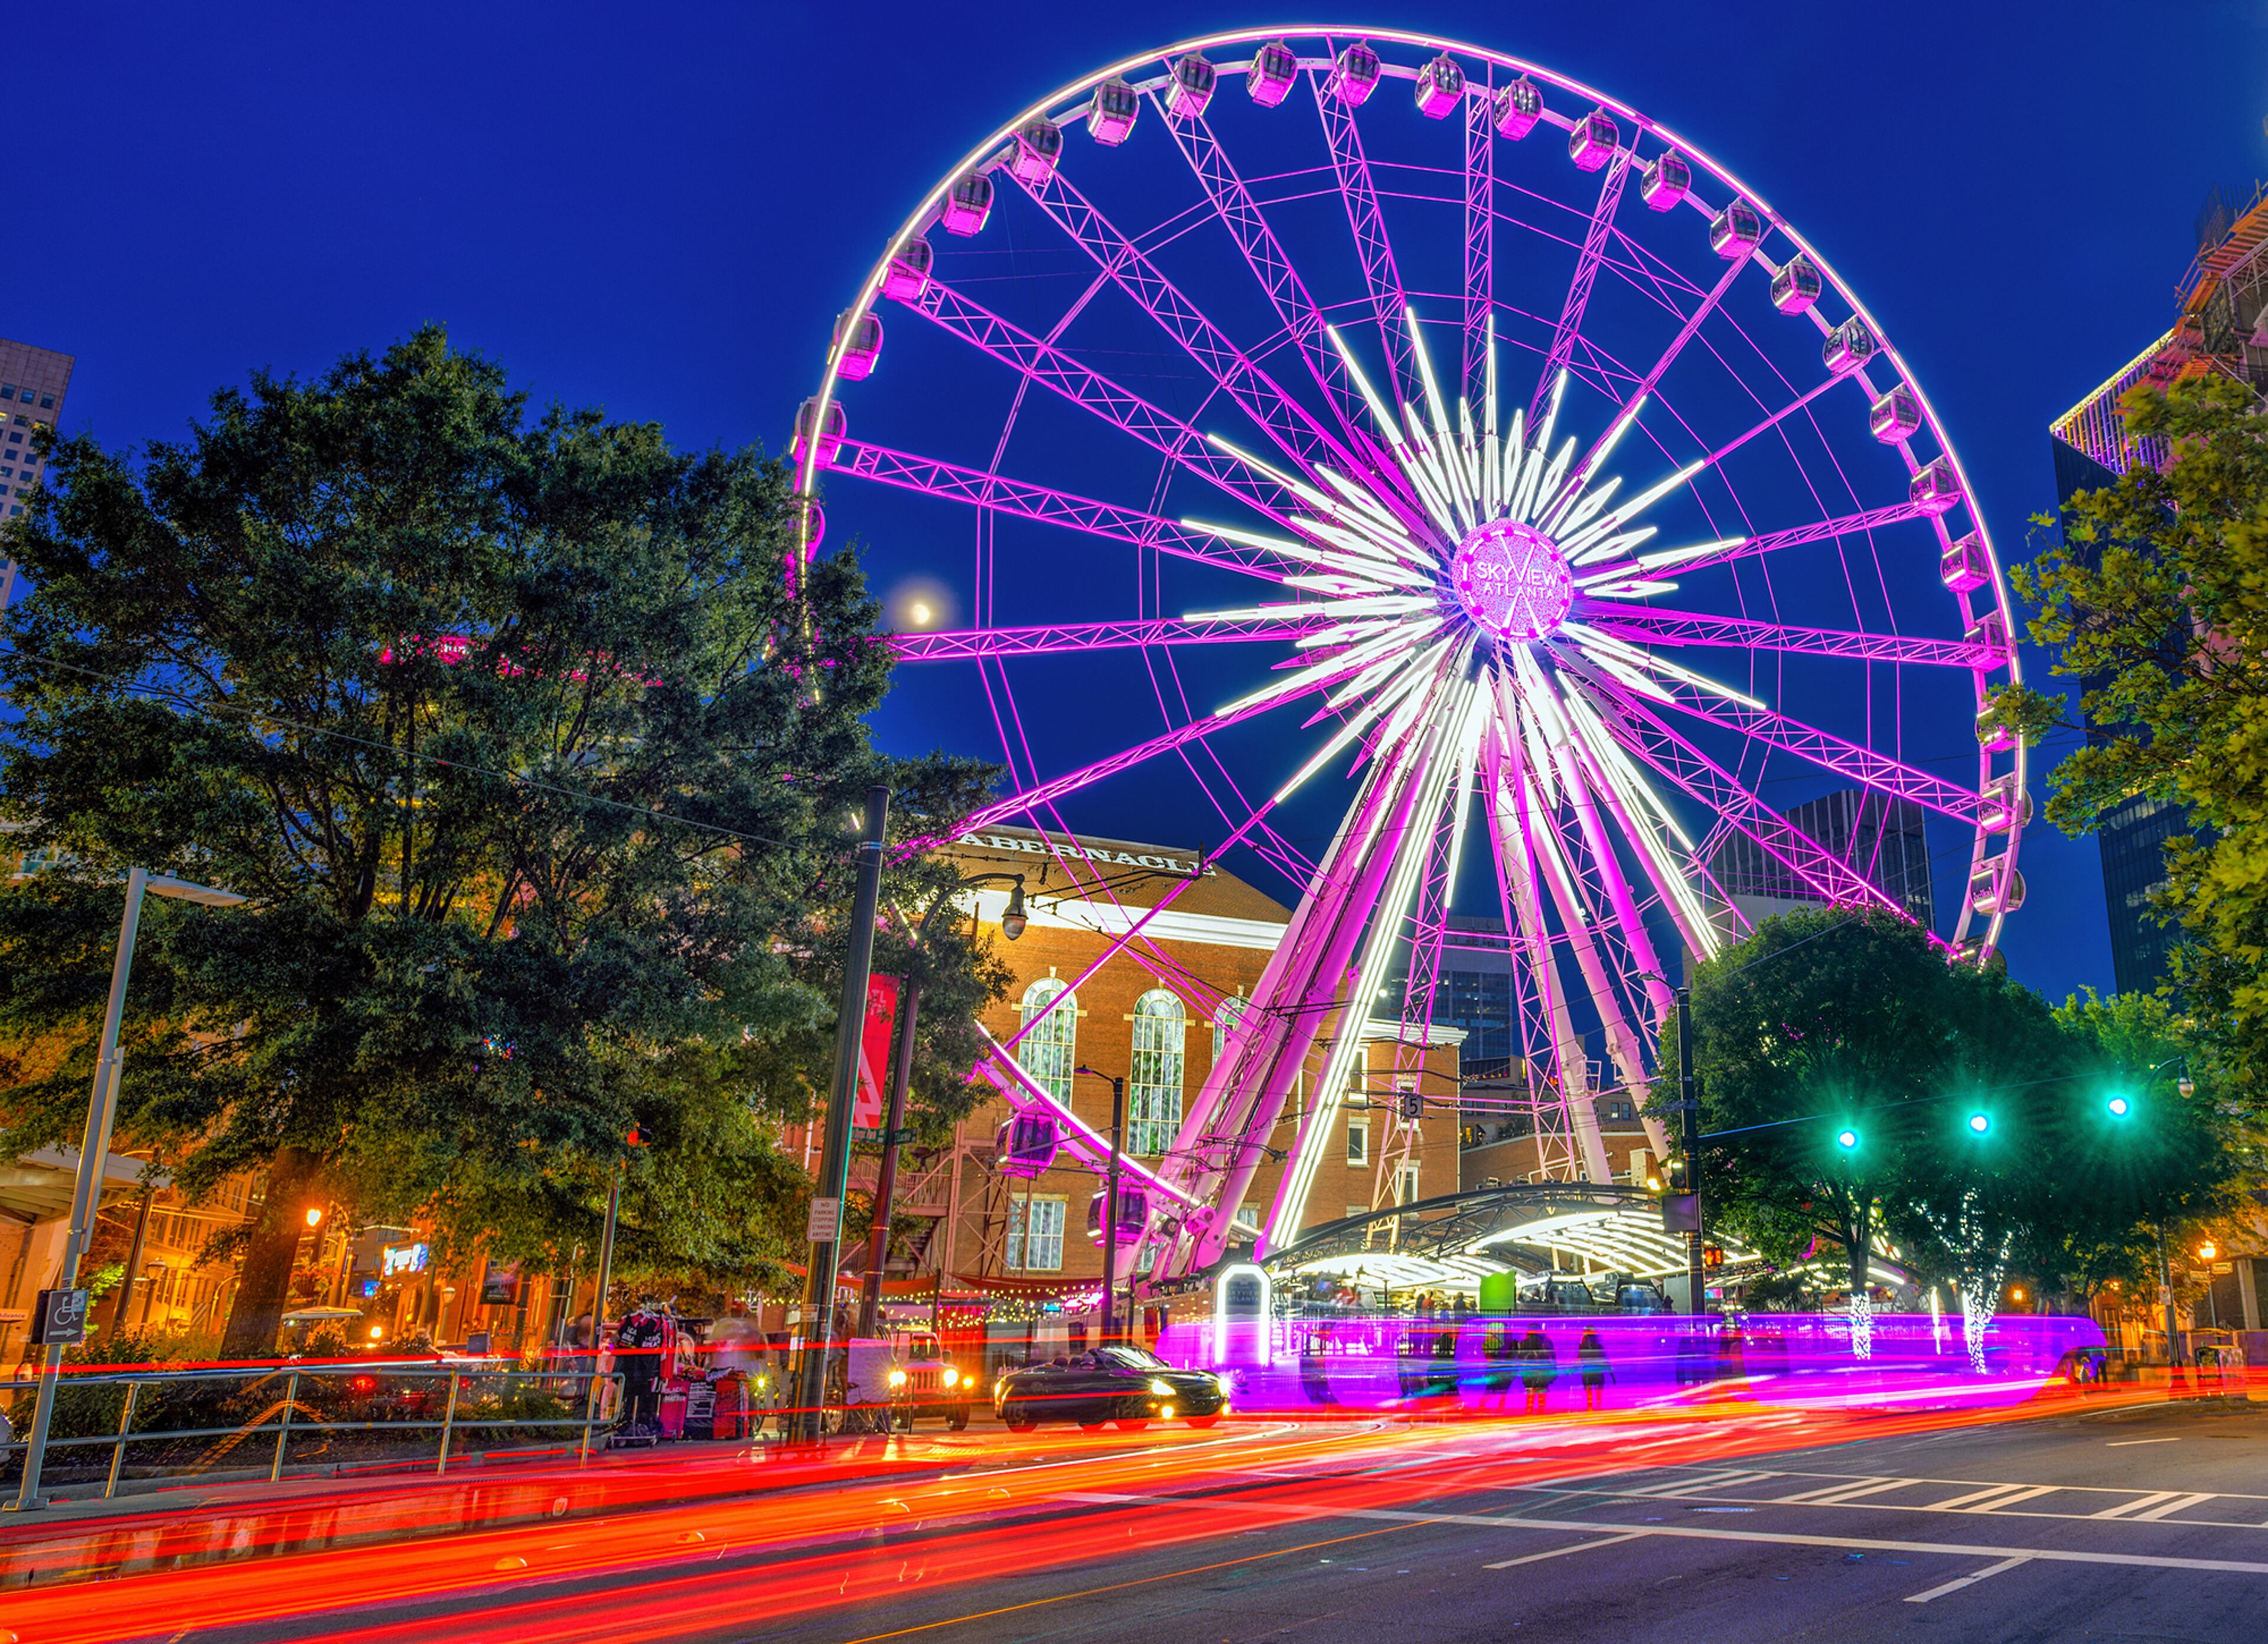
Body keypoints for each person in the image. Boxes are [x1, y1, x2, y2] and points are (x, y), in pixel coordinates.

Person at [615, 1296, 671, 1433]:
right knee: (640, 1396)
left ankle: (633, 1421)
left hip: (631, 1368)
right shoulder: (656, 1325)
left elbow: (618, 1344)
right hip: (647, 1368)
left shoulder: (657, 1324)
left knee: (632, 1397)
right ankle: (637, 1422)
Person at [1516, 1325, 1556, 1414]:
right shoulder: (1546, 1342)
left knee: (1531, 1390)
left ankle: (1529, 1409)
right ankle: (1541, 1410)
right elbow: (1552, 1356)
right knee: (1542, 1390)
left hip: (1528, 1370)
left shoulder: (1523, 1343)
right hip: (1543, 1370)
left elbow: (1520, 1358)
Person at [1577, 1326, 1612, 1410]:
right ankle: (1598, 1410)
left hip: (1587, 1372)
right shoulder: (1599, 1346)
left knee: (1589, 1397)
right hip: (1598, 1372)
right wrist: (1610, 1372)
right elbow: (1604, 1360)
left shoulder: (1583, 1346)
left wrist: (1570, 1370)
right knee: (1599, 1396)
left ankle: (1590, 1410)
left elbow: (1579, 1360)